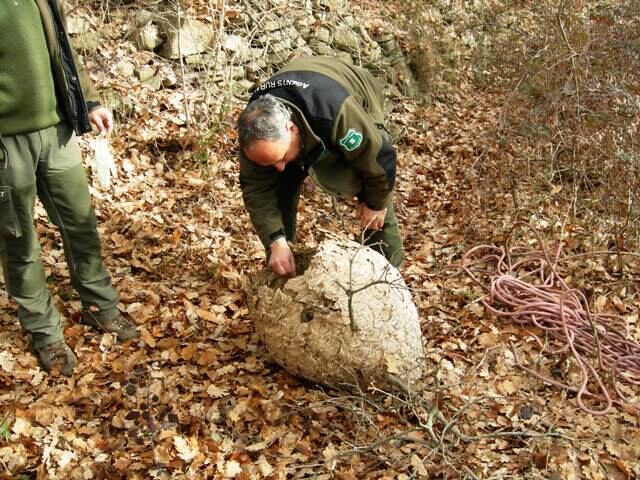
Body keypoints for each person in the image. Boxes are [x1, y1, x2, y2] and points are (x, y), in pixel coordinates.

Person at [0, 0, 138, 376]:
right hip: (6, 144)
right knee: (19, 241)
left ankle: (101, 309)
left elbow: (62, 48)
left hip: (56, 130)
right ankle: (44, 332)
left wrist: (87, 100)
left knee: (80, 224)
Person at [237, 56, 404, 277]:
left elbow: (378, 159)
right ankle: (285, 268)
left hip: (354, 92)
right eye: (270, 161)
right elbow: (257, 189)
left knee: (373, 197)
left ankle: (388, 275)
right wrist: (275, 240)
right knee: (279, 186)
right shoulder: (254, 132)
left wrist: (376, 204)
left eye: (282, 157)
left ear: (292, 129)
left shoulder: (336, 112)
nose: (279, 167)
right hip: (305, 113)